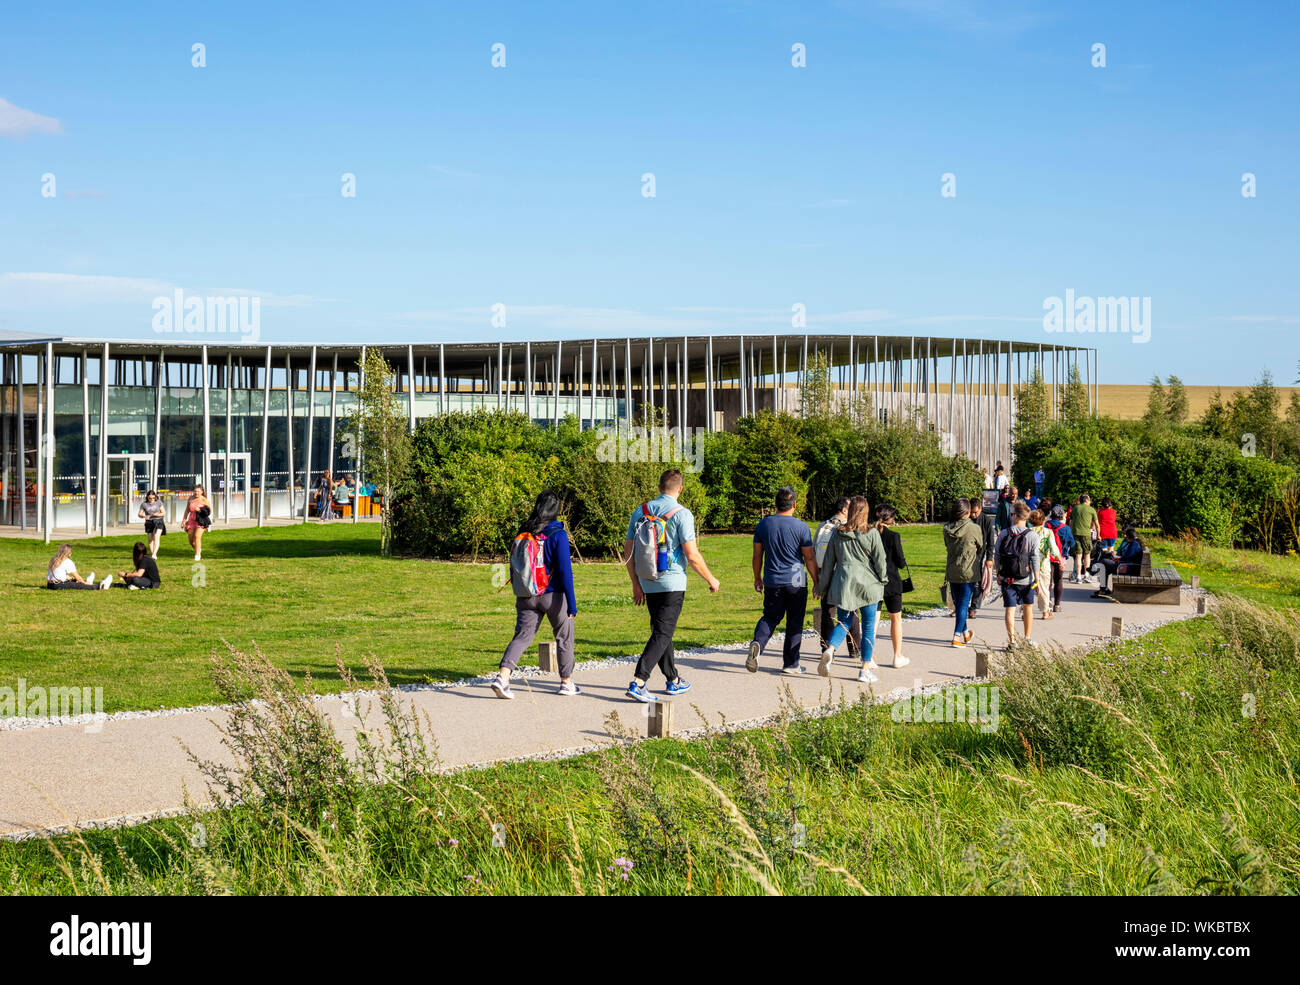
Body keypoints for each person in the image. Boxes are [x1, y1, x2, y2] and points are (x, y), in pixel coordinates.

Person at [624, 469, 720, 702]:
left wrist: (636, 584)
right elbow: (692, 555)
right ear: (680, 489)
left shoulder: (641, 511)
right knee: (663, 632)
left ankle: (673, 680)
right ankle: (639, 681)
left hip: (647, 580)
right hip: (672, 582)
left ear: (659, 487)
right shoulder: (682, 514)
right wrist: (711, 579)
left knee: (661, 631)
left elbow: (628, 551)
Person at [490, 489, 581, 698]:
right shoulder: (558, 535)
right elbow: (566, 572)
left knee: (522, 636)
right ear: (556, 510)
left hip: (526, 594)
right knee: (564, 636)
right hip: (553, 595)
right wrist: (572, 604)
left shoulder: (524, 531)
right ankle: (566, 682)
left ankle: (502, 677)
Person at [746, 487, 817, 675]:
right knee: (795, 621)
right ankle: (791, 664)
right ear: (794, 504)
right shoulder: (801, 527)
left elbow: (757, 555)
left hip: (772, 579)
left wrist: (757, 577)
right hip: (796, 579)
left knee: (770, 616)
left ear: (775, 504)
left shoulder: (763, 525)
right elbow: (809, 558)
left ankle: (758, 644)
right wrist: (817, 581)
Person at [815, 496, 887, 682]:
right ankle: (864, 670)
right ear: (866, 512)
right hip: (868, 585)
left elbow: (829, 562)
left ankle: (830, 650)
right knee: (869, 627)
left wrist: (822, 587)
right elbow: (880, 561)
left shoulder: (837, 533)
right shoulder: (871, 533)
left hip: (844, 584)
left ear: (850, 510)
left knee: (844, 622)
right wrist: (883, 579)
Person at [812, 497, 861, 659]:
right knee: (850, 610)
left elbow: (814, 552)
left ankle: (826, 646)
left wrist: (817, 580)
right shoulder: (848, 527)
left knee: (828, 611)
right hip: (843, 573)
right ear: (845, 510)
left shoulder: (823, 526)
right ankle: (855, 649)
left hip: (824, 573)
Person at [995, 501, 1041, 648]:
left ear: (1015, 516)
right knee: (1028, 607)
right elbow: (1035, 557)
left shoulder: (1003, 533)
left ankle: (1012, 641)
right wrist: (1037, 578)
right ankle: (1027, 638)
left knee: (1010, 609)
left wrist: (998, 573)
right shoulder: (1032, 535)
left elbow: (997, 555)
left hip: (1008, 578)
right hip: (1026, 578)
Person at [874, 504, 910, 668]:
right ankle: (897, 655)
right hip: (892, 581)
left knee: (872, 621)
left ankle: (870, 657)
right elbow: (901, 563)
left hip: (873, 581)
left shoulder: (870, 534)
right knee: (895, 619)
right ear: (890, 519)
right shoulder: (893, 536)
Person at [943, 499, 982, 647]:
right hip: (968, 571)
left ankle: (965, 633)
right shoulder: (974, 528)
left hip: (952, 569)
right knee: (964, 604)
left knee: (960, 604)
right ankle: (956, 635)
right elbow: (980, 545)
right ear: (967, 512)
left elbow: (947, 545)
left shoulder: (947, 528)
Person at [1093, 526, 1145, 598]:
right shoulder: (1135, 542)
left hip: (1128, 567)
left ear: (1129, 536)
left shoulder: (1134, 544)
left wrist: (1119, 559)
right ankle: (1103, 590)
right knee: (1105, 567)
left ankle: (1102, 588)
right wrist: (1119, 558)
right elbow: (1128, 556)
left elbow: (1128, 556)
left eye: (1126, 536)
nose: (1125, 537)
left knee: (1104, 561)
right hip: (1128, 565)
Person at [1028, 509, 1061, 620]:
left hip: (1029, 565)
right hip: (1043, 565)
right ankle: (1045, 612)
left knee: (1029, 588)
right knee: (1044, 589)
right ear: (1043, 520)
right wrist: (1059, 560)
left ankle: (1026, 612)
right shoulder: (1047, 532)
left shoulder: (1027, 532)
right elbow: (1053, 549)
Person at [968, 496, 998, 616]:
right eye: (971, 512)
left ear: (980, 509)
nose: (973, 515)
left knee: (978, 581)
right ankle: (962, 605)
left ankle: (973, 607)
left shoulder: (986, 520)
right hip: (968, 553)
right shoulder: (967, 519)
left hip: (981, 554)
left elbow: (991, 541)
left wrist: (990, 558)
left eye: (975, 512)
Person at [1044, 505, 1074, 613]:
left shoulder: (1046, 526)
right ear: (1061, 515)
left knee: (1048, 581)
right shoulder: (1065, 528)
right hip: (1061, 557)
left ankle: (1047, 604)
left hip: (1047, 557)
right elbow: (1072, 543)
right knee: (1059, 580)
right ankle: (1057, 605)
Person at [45, 544, 110, 589]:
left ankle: (89, 582)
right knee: (79, 585)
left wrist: (68, 578)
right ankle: (101, 586)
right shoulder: (67, 562)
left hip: (49, 584)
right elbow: (78, 577)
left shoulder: (53, 559)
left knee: (73, 580)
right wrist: (84, 583)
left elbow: (56, 573)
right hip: (57, 585)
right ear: (69, 554)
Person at [1068, 493, 1099, 584]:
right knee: (1087, 554)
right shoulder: (1091, 510)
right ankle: (1086, 574)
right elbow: (1097, 525)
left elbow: (1070, 523)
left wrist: (1071, 533)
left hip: (1075, 534)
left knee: (1078, 555)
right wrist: (1098, 535)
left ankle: (1078, 577)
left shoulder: (1074, 509)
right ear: (1087, 501)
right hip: (1086, 534)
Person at [184, 484, 211, 561]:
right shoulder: (191, 498)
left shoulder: (204, 500)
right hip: (191, 520)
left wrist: (200, 510)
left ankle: (197, 555)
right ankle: (198, 549)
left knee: (197, 536)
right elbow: (187, 510)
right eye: (195, 491)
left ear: (202, 492)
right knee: (191, 540)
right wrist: (183, 520)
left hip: (201, 520)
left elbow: (209, 511)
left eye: (198, 491)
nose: (196, 493)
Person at [138, 489, 166, 559]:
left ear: (155, 497)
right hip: (149, 522)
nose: (152, 499)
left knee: (156, 537)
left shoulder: (158, 502)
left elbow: (163, 513)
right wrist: (144, 516)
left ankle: (154, 554)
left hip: (158, 521)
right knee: (150, 539)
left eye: (153, 498)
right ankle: (152, 553)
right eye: (150, 498)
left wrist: (158, 514)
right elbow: (139, 514)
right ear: (147, 497)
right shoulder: (144, 504)